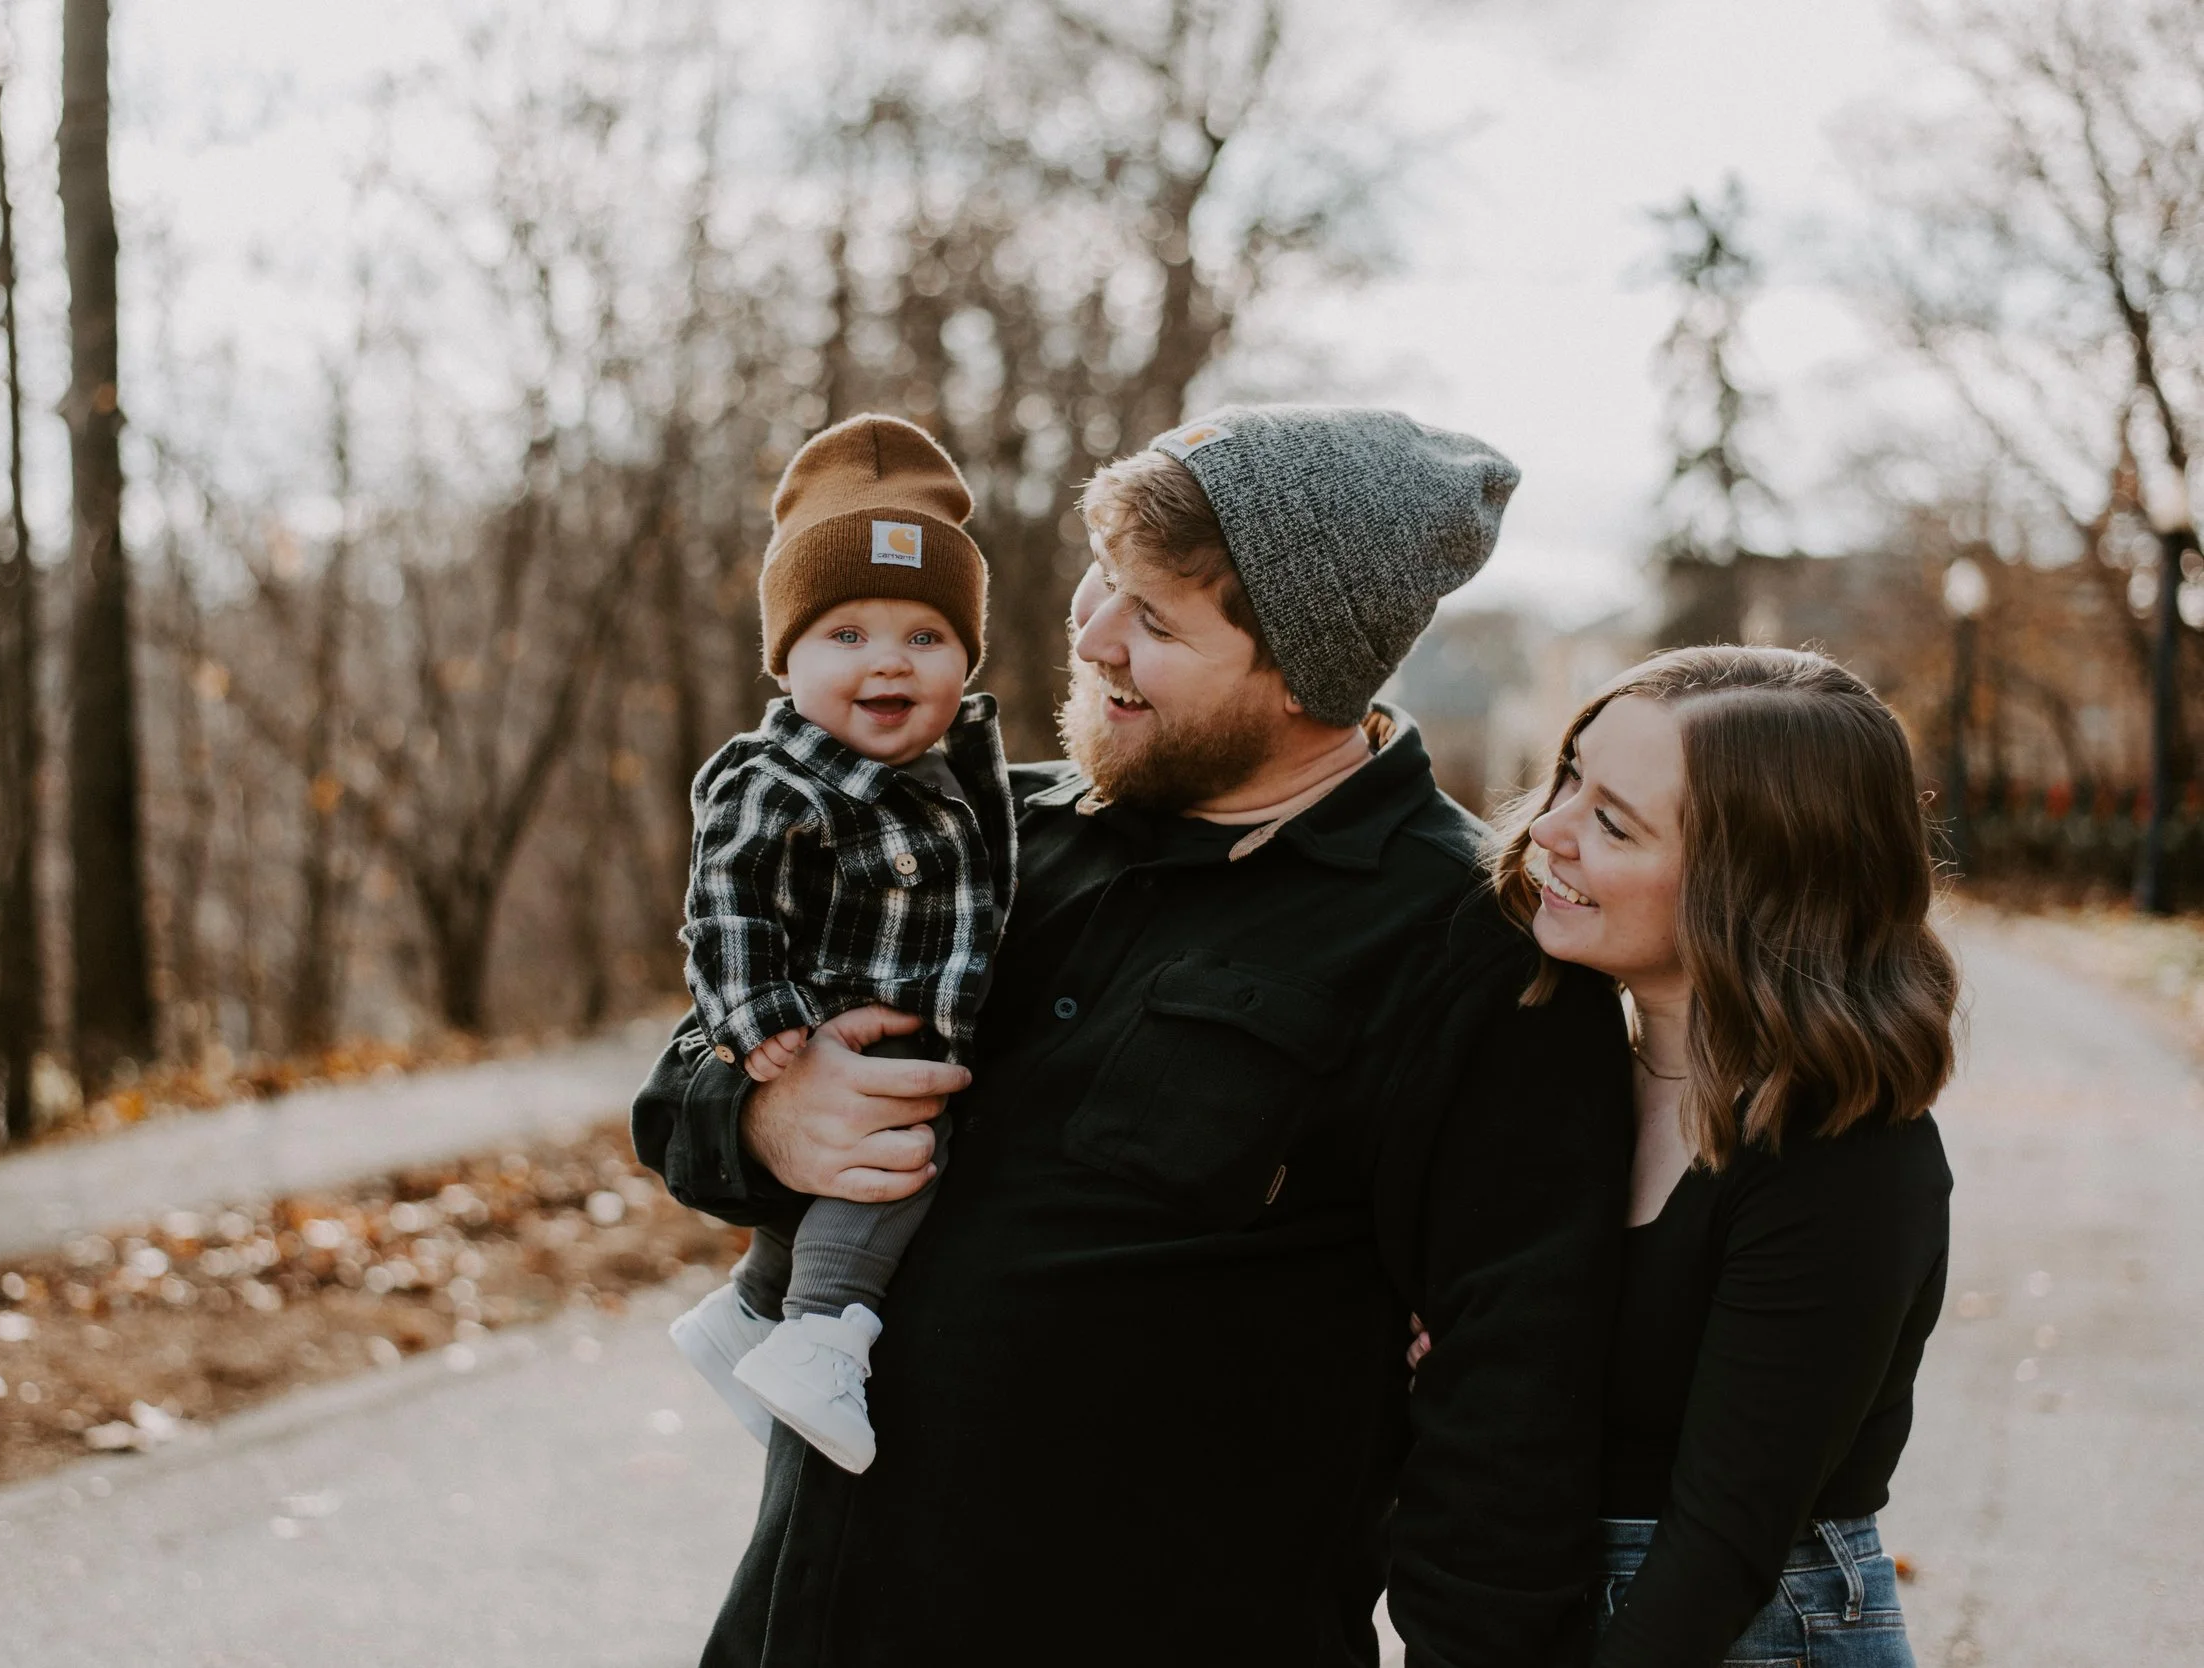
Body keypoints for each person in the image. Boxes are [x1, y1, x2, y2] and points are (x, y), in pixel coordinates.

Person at [634, 405, 1637, 1666]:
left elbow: (1513, 1408)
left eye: (1155, 620)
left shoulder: (1466, 949)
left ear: (1306, 673)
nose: (1093, 634)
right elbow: (677, 1099)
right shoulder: (982, 828)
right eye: (1105, 582)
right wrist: (766, 1116)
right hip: (810, 1623)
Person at [1487, 644, 1957, 1667]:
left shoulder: (1845, 1155)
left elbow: (1722, 1544)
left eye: (1611, 822)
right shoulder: (1570, 1076)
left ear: (1751, 888)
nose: (1548, 830)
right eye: (1570, 774)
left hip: (1737, 1631)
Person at [664, 413, 1017, 1474]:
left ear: (965, 655)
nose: (888, 664)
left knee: (877, 1156)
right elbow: (723, 900)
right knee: (897, 1162)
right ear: (786, 662)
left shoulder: (964, 785)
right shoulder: (776, 778)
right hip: (831, 1028)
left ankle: (741, 1318)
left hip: (910, 1025)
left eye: (924, 636)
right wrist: (756, 1019)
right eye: (845, 635)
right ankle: (822, 1334)